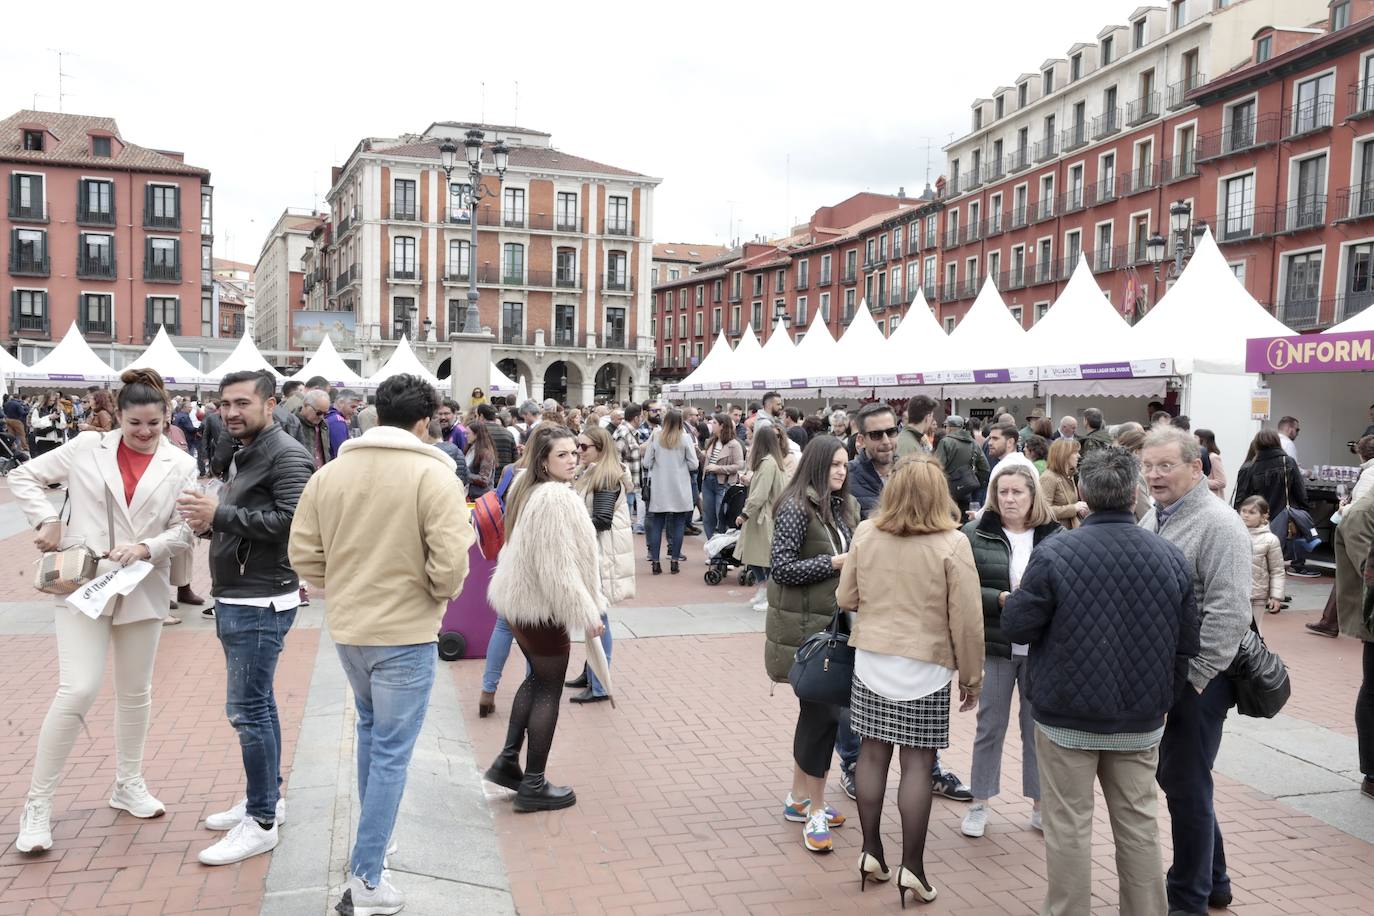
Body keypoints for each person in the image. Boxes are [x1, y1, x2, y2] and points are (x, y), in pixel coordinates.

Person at [288, 373, 473, 913]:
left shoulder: (333, 472)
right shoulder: (433, 475)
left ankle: (376, 838)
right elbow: (450, 558)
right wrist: (437, 594)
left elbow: (304, 552)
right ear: (424, 421)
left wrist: (338, 580)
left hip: (351, 627)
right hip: (405, 630)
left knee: (373, 733)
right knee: (390, 749)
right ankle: (366, 877)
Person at [1004, 447, 1200, 916]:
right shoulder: (1169, 557)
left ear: (1084, 494)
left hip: (1065, 713)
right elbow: (1187, 641)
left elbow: (1018, 628)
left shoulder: (1055, 554)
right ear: (1133, 493)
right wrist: (1164, 695)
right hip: (1140, 715)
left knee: (1068, 825)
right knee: (1138, 824)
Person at [11, 369, 197, 855]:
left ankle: (128, 782)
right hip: (83, 582)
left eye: (154, 424)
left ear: (165, 417)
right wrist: (48, 518)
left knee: (136, 693)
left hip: (142, 586)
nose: (144, 432)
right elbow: (23, 474)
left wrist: (148, 546)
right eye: (135, 422)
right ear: (117, 414)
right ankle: (37, 804)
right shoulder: (85, 449)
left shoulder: (181, 462)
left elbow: (185, 528)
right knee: (79, 688)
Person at [175, 370, 314, 867]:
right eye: (223, 404)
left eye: (241, 403)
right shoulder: (248, 450)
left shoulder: (286, 454)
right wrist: (213, 525)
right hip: (243, 594)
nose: (230, 412)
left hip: (260, 600)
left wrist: (221, 517)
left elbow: (292, 524)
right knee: (260, 706)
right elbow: (251, 516)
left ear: (270, 404)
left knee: (248, 711)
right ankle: (268, 800)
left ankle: (260, 821)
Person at [837, 455, 984, 902]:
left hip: (873, 659)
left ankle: (870, 852)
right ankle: (913, 868)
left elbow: (846, 595)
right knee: (918, 763)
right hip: (927, 664)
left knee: (872, 754)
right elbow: (967, 620)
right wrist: (972, 676)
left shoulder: (866, 532)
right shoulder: (952, 543)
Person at [1140, 426, 1252, 914]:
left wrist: (1196, 679)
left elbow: (1229, 612)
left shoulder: (1219, 524)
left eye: (1165, 466)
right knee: (1185, 780)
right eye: (1148, 466)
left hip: (1201, 678)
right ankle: (1215, 880)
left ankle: (1189, 898)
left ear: (1196, 468)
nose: (1154, 475)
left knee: (1185, 783)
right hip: (1167, 675)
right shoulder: (1153, 516)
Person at [482, 426, 606, 812]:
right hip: (541, 607)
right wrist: (587, 613)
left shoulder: (527, 487)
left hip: (523, 603)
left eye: (575, 452)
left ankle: (508, 760)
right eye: (563, 455)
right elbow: (558, 568)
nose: (573, 460)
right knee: (548, 688)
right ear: (543, 461)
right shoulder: (554, 497)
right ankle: (533, 782)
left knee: (536, 681)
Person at [762, 436, 859, 853]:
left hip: (831, 627)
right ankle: (814, 809)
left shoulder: (839, 506)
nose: (841, 471)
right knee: (822, 719)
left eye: (845, 465)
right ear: (818, 466)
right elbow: (781, 567)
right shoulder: (796, 506)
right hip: (808, 634)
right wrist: (835, 563)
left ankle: (800, 798)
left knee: (817, 717)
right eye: (835, 465)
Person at [960, 457, 1062, 839]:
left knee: (1037, 729)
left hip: (1039, 647)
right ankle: (980, 802)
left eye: (1017, 491)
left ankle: (1039, 804)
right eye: (1002, 492)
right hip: (996, 644)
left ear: (1033, 494)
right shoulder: (975, 534)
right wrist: (1000, 598)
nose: (1009, 499)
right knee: (990, 725)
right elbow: (963, 586)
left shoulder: (1054, 535)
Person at [567, 424, 635, 704]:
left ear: (600, 448)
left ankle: (600, 684)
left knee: (597, 616)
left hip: (602, 555)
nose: (578, 452)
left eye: (583, 447)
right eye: (576, 446)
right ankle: (591, 673)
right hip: (598, 552)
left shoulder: (605, 477)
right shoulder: (593, 472)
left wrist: (569, 523)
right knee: (593, 616)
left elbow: (602, 520)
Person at [1332, 487, 1374, 800]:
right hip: (1371, 614)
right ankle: (1372, 773)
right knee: (1373, 689)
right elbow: (1367, 569)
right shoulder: (1362, 513)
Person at [1232, 429, 1318, 577]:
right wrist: (1302, 514)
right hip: (1284, 519)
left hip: (1257, 521)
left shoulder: (1249, 467)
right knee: (1279, 558)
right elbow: (1300, 492)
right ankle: (1276, 593)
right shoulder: (1288, 462)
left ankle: (1260, 592)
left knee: (1258, 559)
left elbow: (1241, 499)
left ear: (1257, 444)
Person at [641, 409, 699, 575]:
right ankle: (674, 561)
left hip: (660, 487)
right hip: (679, 486)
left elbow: (646, 462)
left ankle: (655, 563)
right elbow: (694, 464)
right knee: (679, 525)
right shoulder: (685, 438)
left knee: (657, 525)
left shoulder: (657, 437)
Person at [737, 424, 787, 609]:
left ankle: (768, 594)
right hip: (766, 515)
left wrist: (744, 513)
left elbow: (760, 494)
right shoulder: (774, 461)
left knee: (762, 558)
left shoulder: (767, 463)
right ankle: (763, 589)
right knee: (756, 557)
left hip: (763, 517)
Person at [848, 402, 899, 519]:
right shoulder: (846, 479)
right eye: (876, 435)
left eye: (891, 432)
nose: (886, 441)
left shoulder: (912, 473)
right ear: (862, 440)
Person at [700, 411, 745, 538]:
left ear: (722, 426)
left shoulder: (734, 444)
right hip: (708, 481)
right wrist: (698, 453)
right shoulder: (712, 441)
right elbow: (706, 462)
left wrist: (718, 468)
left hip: (723, 484)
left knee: (721, 516)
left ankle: (721, 548)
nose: (711, 425)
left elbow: (739, 465)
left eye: (714, 423)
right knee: (708, 515)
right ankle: (711, 545)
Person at [934, 415, 988, 517]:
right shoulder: (973, 443)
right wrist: (973, 479)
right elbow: (985, 468)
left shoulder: (945, 442)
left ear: (948, 427)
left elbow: (936, 467)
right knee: (964, 520)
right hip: (966, 490)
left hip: (947, 491)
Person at [1239, 496, 1285, 616]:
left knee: (1254, 631)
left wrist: (1276, 596)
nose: (1246, 515)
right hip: (1235, 593)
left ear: (1264, 516)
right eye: (1243, 511)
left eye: (1252, 512)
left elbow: (1277, 570)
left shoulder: (1270, 540)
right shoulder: (1233, 534)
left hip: (1257, 595)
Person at [1040, 439, 1087, 529]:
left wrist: (1080, 509)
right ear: (1064, 455)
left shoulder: (1069, 476)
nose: (1079, 455)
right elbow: (1043, 511)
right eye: (1075, 452)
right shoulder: (1048, 478)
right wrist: (1074, 508)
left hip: (1068, 531)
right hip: (1056, 533)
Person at [614, 405, 644, 533]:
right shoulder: (623, 432)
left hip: (631, 484)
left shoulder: (630, 432)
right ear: (636, 418)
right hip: (625, 484)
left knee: (627, 517)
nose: (642, 419)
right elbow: (615, 457)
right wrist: (624, 480)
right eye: (641, 416)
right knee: (624, 520)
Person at [297, 390, 333, 469]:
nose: (322, 417)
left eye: (325, 414)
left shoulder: (324, 425)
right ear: (306, 405)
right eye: (319, 413)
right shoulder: (293, 424)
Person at [465, 418, 498, 500]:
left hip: (481, 498)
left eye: (467, 433)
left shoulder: (486, 454)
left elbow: (484, 479)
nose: (465, 436)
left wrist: (465, 475)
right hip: (471, 496)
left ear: (476, 435)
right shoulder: (471, 449)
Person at [29, 392, 68, 457]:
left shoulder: (59, 410)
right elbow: (35, 423)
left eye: (54, 400)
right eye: (50, 400)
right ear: (46, 400)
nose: (52, 402)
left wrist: (58, 419)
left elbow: (63, 425)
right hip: (43, 438)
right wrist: (49, 417)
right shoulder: (38, 410)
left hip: (57, 439)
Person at [326, 389, 361, 459]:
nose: (355, 411)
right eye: (352, 407)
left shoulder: (329, 414)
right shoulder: (337, 421)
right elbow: (341, 451)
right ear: (340, 402)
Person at [1196, 429, 1226, 498]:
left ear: (1203, 440)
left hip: (1212, 499)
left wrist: (1200, 482)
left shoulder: (1213, 457)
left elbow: (1222, 482)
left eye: (1195, 437)